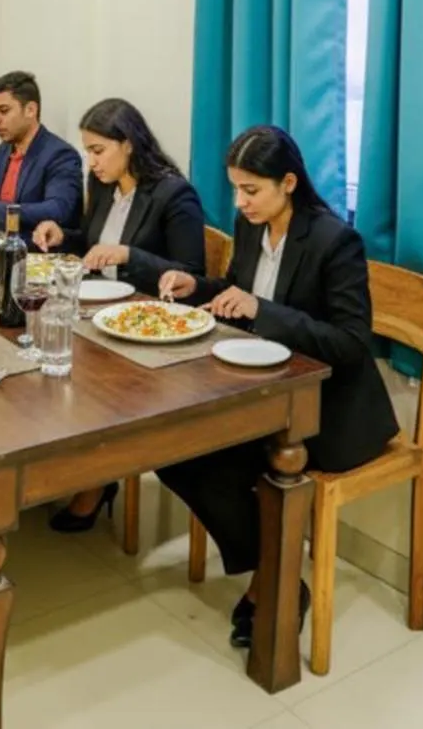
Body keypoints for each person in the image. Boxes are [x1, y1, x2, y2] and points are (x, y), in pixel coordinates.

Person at [153, 125, 398, 649]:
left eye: (251, 190)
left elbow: (351, 342)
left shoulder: (335, 241)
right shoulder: (252, 226)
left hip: (327, 407)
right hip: (261, 390)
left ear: (288, 183)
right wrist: (197, 286)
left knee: (216, 466)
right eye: (235, 189)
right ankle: (277, 571)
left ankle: (272, 584)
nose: (239, 203)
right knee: (173, 454)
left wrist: (261, 311)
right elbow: (239, 291)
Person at [31, 97, 207, 532]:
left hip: (146, 326)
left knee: (83, 383)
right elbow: (94, 244)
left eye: (98, 150)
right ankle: (73, 472)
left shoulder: (172, 194)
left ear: (127, 144)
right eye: (88, 151)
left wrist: (131, 255)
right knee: (44, 368)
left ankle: (96, 480)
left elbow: (193, 274)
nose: (91, 162)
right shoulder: (104, 187)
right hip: (99, 313)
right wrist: (64, 235)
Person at [0, 71, 83, 234]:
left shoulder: (60, 154)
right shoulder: (3, 151)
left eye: (4, 111)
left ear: (30, 110)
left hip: (31, 246)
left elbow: (57, 209)